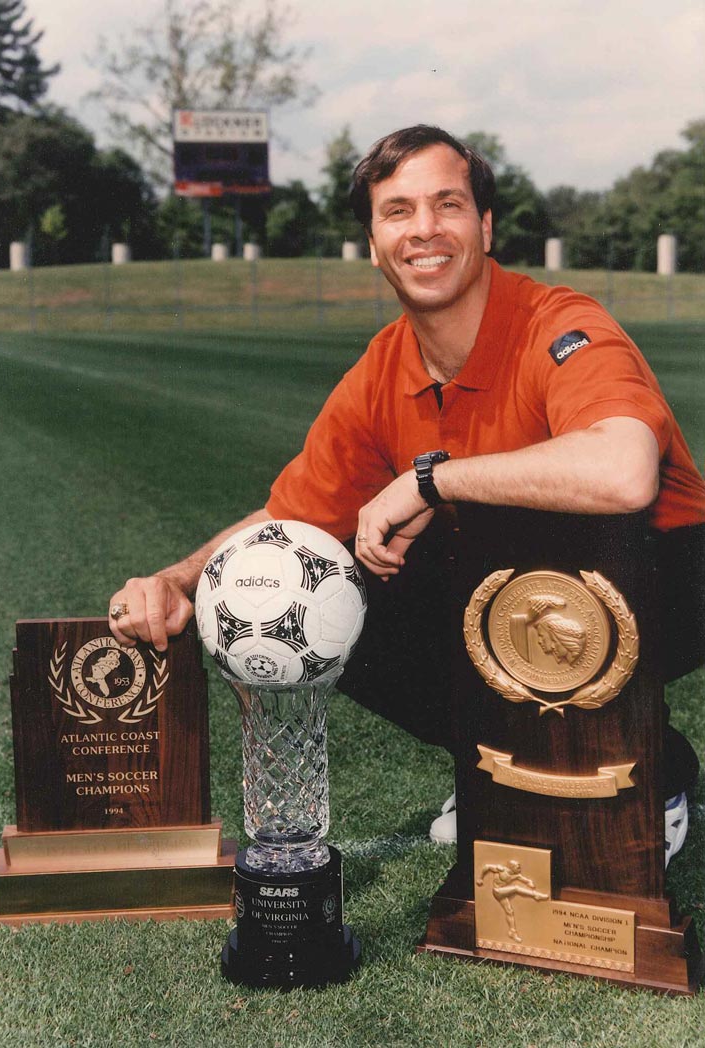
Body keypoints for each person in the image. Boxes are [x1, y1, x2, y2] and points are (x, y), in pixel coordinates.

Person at [108, 125, 705, 859]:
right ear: (374, 239)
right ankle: (499, 762)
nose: (424, 230)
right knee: (323, 579)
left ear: (485, 227)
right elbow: (288, 521)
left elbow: (624, 473)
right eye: (398, 211)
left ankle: (652, 770)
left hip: (663, 579)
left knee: (522, 551)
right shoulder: (382, 368)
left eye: (447, 205)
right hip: (518, 596)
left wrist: (430, 480)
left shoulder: (561, 323)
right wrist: (178, 581)